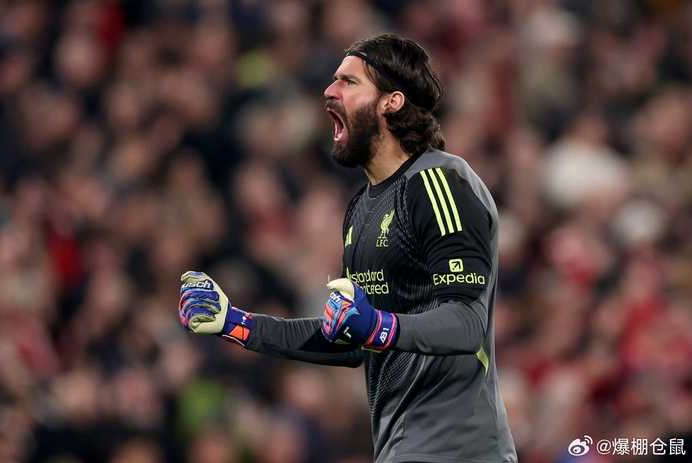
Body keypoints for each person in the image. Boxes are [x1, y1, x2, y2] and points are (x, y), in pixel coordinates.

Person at [178, 33, 517, 463]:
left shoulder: (439, 182)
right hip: (400, 450)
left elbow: (466, 323)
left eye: (348, 82)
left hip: (461, 451)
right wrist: (238, 324)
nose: (329, 90)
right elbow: (352, 340)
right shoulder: (361, 208)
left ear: (391, 102)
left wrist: (378, 326)